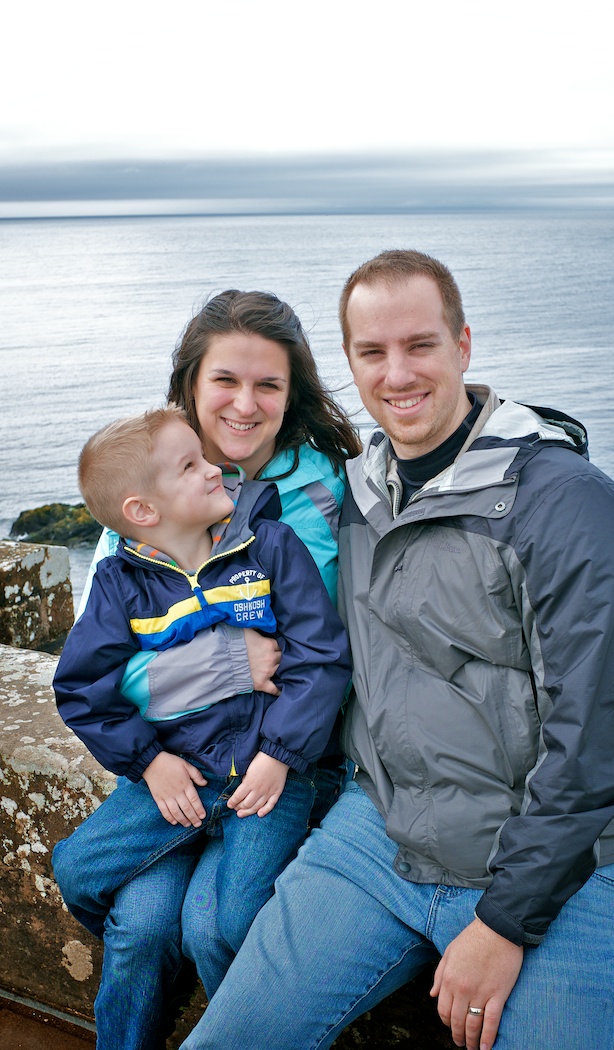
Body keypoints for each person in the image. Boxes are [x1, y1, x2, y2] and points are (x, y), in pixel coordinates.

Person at [180, 250, 614, 1050]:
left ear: (463, 345)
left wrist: (505, 922)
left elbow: (602, 742)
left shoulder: (568, 505)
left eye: (420, 345)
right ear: (350, 366)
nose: (397, 374)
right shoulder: (359, 494)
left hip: (555, 864)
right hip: (383, 833)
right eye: (372, 353)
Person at [51, 289, 361, 1050]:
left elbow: (318, 651)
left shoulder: (322, 495)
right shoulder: (141, 506)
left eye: (269, 385)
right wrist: (226, 661)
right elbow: (99, 670)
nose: (245, 405)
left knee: (210, 923)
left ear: (294, 395)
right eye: (225, 380)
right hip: (174, 765)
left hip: (273, 761)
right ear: (191, 385)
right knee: (138, 925)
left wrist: (270, 728)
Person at [53, 403, 350, 948]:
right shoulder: (119, 583)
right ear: (142, 510)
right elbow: (81, 690)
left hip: (268, 776)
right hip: (180, 774)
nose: (213, 467)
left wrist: (280, 756)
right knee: (75, 871)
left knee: (234, 921)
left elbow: (321, 657)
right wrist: (149, 762)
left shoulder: (272, 546)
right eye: (190, 466)